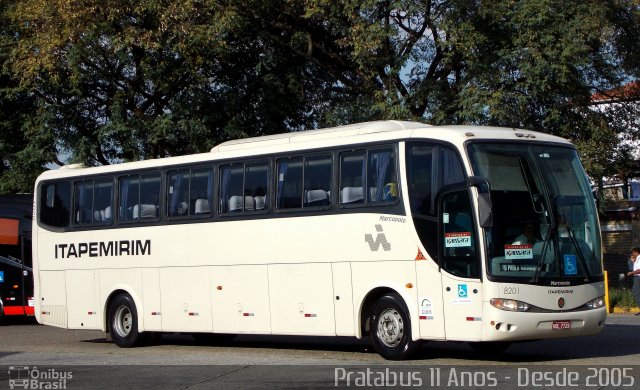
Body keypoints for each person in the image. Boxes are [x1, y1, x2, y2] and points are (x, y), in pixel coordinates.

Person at [627, 247, 640, 316]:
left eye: (633, 252)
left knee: (636, 293)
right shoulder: (637, 258)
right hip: (637, 277)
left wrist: (632, 273)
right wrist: (633, 261)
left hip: (638, 277)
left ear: (636, 252)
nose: (632, 254)